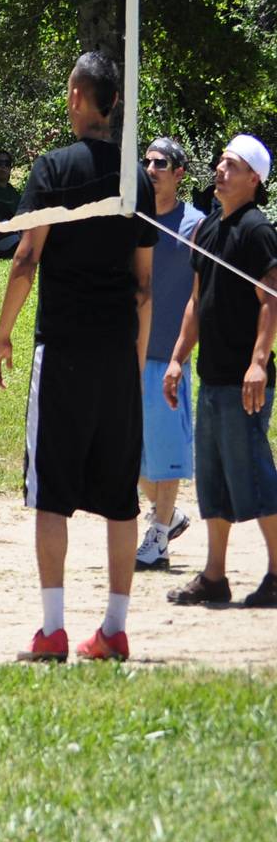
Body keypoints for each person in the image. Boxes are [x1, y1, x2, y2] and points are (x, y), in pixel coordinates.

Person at [0, 53, 155, 662]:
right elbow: (144, 288)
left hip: (61, 350)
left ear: (82, 97)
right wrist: (134, 365)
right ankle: (114, 628)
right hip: (116, 354)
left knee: (51, 493)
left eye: (68, 91)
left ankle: (53, 629)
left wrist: (2, 335)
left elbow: (26, 257)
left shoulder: (53, 169)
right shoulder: (136, 178)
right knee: (118, 498)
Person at [163, 134, 277, 609]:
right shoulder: (208, 229)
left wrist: (259, 362)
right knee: (211, 479)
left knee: (254, 475)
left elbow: (271, 298)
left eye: (231, 165)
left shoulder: (257, 230)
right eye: (220, 163)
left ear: (254, 178)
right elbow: (195, 299)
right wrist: (177, 356)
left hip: (242, 380)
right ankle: (214, 576)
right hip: (211, 377)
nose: (219, 170)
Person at [135, 136, 204, 571]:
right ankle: (170, 515)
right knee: (127, 455)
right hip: (130, 353)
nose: (151, 168)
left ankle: (158, 536)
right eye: (146, 161)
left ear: (179, 173)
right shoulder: (134, 218)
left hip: (169, 356)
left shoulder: (195, 225)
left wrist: (182, 355)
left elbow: (202, 295)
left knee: (166, 454)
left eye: (160, 163)